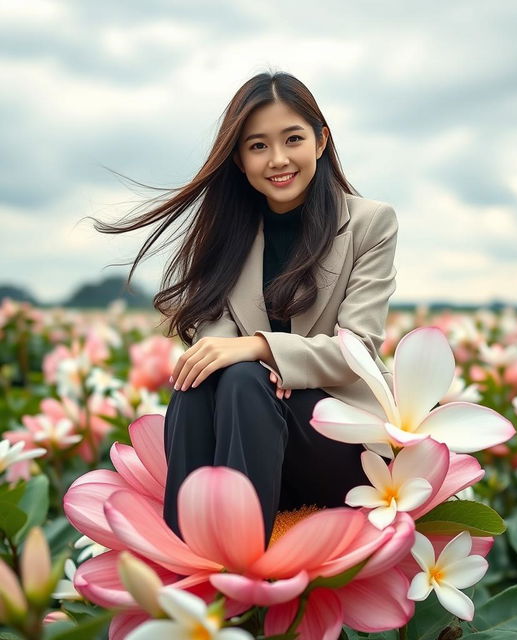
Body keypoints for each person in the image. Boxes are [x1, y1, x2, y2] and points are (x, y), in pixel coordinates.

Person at [91, 70, 399, 546]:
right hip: (249, 425)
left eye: (292, 139)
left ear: (320, 142)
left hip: (339, 443)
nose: (278, 159)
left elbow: (354, 349)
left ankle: (240, 558)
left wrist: (262, 349)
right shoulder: (229, 232)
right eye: (257, 146)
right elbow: (214, 335)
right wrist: (239, 357)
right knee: (204, 378)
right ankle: (185, 546)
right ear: (238, 158)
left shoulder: (369, 223)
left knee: (239, 373)